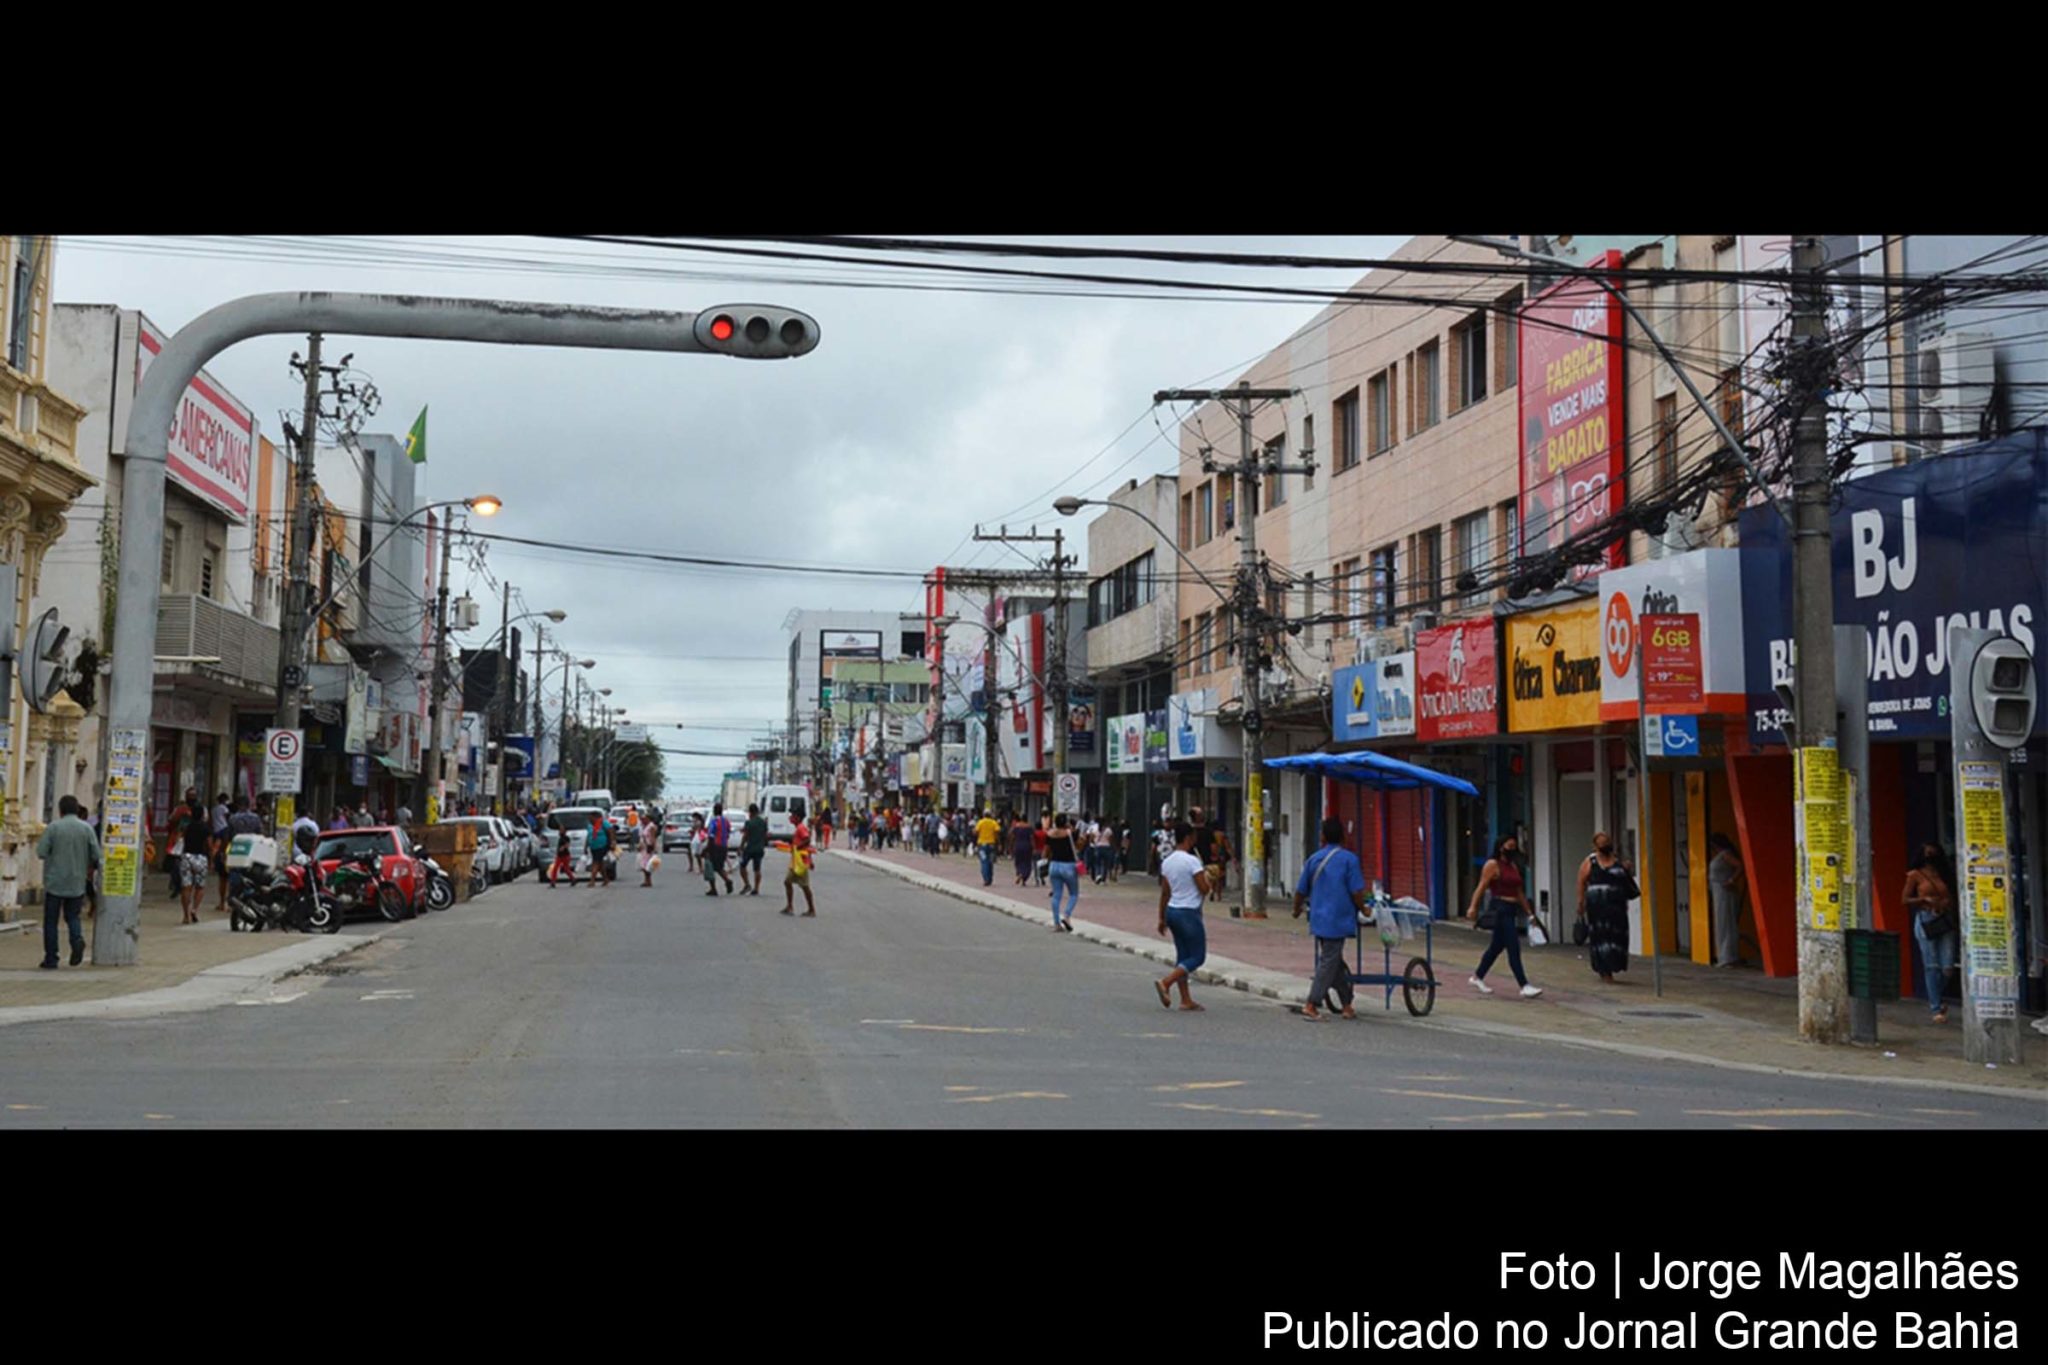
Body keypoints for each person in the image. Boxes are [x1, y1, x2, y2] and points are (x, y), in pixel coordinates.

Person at [1294, 817, 1365, 1021]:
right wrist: (1365, 909)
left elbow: (1300, 891)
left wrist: (1296, 910)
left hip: (1318, 918)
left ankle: (1346, 1004)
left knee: (1333, 960)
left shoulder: (1314, 859)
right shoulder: (1350, 860)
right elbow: (1356, 891)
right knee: (1329, 961)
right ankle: (1312, 1003)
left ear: (1323, 836)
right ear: (1343, 836)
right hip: (1339, 919)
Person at [1465, 834, 1543, 998]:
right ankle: (1524, 984)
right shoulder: (1492, 865)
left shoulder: (1512, 866)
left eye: (1514, 846)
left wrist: (1529, 913)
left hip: (1512, 908)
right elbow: (1481, 887)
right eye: (1509, 846)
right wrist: (1473, 907)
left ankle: (1477, 976)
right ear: (1501, 847)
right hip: (1500, 908)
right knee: (1513, 946)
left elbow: (1519, 892)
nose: (1512, 849)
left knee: (1496, 947)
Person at [35, 795, 100, 969]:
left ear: (60, 810)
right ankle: (76, 939)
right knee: (73, 916)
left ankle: (51, 957)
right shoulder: (86, 829)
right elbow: (96, 855)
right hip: (77, 881)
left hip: (54, 881)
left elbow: (41, 852)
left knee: (51, 921)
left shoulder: (53, 827)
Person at [1153, 822, 1211, 1011]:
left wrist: (1161, 918)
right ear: (1188, 838)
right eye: (1193, 836)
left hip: (1172, 911)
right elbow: (1203, 888)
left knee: (1183, 956)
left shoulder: (1167, 862)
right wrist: (1209, 879)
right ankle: (1166, 982)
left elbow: (1165, 892)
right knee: (1197, 956)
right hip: (1189, 913)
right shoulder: (1192, 861)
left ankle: (1185, 999)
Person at [1904, 843, 1958, 1023]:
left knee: (1947, 967)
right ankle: (1936, 1007)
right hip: (1926, 919)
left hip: (1944, 919)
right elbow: (1904, 899)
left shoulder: (1944, 875)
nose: (1930, 857)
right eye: (1927, 854)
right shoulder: (1915, 875)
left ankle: (1937, 995)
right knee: (1931, 965)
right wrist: (1923, 899)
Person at [1575, 832, 1638, 984]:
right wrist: (1580, 902)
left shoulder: (1618, 862)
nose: (1604, 846)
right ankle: (1604, 970)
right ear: (1595, 846)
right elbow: (1581, 881)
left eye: (1607, 842)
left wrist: (1626, 870)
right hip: (1597, 909)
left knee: (1617, 938)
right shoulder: (1590, 861)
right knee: (1600, 938)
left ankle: (1614, 965)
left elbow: (1626, 883)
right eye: (1601, 843)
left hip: (1617, 908)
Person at [1707, 833, 1747, 967]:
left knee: (1726, 923)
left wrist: (1731, 880)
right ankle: (1724, 955)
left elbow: (1740, 866)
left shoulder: (1725, 854)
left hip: (1724, 892)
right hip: (1718, 891)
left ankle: (1728, 956)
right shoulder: (1721, 855)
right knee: (1722, 924)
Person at [176, 794, 214, 925]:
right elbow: (210, 846)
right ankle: (195, 909)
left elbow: (178, 838)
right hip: (200, 858)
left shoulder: (187, 826)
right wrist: (211, 860)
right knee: (200, 886)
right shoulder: (206, 828)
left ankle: (185, 915)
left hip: (187, 857)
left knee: (186, 887)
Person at [1045, 813, 1081, 933]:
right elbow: (1080, 843)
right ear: (1066, 822)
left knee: (1056, 895)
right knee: (1074, 894)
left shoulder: (1049, 834)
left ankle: (1056, 924)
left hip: (1054, 865)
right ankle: (1066, 915)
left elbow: (1046, 851)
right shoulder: (1070, 834)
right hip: (1068, 866)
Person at [780, 814, 817, 916]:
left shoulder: (801, 828)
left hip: (801, 861)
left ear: (798, 817)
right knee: (788, 882)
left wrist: (797, 847)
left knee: (805, 886)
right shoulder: (798, 828)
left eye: (793, 816)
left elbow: (807, 840)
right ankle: (790, 906)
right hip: (796, 861)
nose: (790, 818)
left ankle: (811, 909)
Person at [702, 801, 735, 896]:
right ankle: (727, 881)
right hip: (724, 846)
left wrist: (707, 849)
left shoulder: (714, 822)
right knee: (719, 866)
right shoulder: (726, 821)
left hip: (715, 846)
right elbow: (728, 832)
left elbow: (711, 836)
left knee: (710, 866)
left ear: (714, 811)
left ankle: (714, 888)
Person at [739, 802, 769, 896]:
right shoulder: (763, 822)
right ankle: (756, 888)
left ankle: (747, 884)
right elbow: (765, 835)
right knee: (757, 869)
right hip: (759, 848)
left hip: (750, 848)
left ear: (750, 812)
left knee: (742, 866)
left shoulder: (749, 822)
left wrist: (741, 847)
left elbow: (745, 836)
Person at [209, 791, 232, 913]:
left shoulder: (213, 809)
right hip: (230, 857)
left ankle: (222, 902)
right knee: (230, 880)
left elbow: (215, 847)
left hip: (217, 831)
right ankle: (229, 903)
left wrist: (212, 861)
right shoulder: (224, 809)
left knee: (222, 880)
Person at [586, 812, 615, 890]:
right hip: (593, 846)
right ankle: (606, 879)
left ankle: (592, 880)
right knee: (600, 863)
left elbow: (610, 831)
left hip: (602, 846)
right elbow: (588, 835)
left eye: (591, 817)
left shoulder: (603, 822)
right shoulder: (589, 825)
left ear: (595, 817)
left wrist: (612, 842)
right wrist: (586, 846)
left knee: (596, 862)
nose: (589, 819)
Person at [974, 807, 1001, 886]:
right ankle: (990, 878)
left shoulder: (980, 822)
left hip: (982, 845)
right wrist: (999, 843)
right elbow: (997, 832)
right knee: (990, 862)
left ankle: (986, 879)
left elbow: (975, 832)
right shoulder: (993, 822)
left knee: (984, 862)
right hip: (992, 845)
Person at [1208, 827, 1233, 903]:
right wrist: (1233, 856)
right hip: (1221, 858)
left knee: (1212, 876)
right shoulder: (1222, 835)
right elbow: (1227, 847)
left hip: (1211, 857)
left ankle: (1211, 889)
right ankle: (1219, 896)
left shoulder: (1210, 835)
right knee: (1220, 878)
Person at [1009, 811, 1034, 886]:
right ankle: (1024, 877)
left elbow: (1012, 837)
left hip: (1018, 846)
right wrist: (1034, 847)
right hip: (1027, 846)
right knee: (1027, 862)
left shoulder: (1016, 827)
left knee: (1018, 861)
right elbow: (1032, 838)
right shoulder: (1029, 827)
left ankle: (1019, 873)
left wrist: (1011, 847)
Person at [637, 814, 661, 888]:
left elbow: (653, 837)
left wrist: (652, 847)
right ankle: (646, 880)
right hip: (644, 847)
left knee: (647, 864)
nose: (643, 820)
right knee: (644, 864)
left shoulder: (651, 827)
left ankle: (648, 880)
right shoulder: (644, 826)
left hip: (648, 846)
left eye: (645, 819)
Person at [1031, 815, 1049, 886]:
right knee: (1042, 866)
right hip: (1043, 851)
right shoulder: (1045, 833)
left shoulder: (1035, 833)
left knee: (1035, 866)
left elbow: (1033, 842)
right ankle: (1042, 879)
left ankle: (1037, 880)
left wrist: (1033, 849)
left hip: (1036, 850)